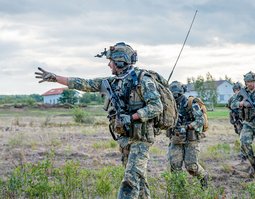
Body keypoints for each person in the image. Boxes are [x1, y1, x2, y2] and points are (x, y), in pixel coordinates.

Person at [35, 42, 163, 199]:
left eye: (111, 62)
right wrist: (55, 78)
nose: (109, 65)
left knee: (130, 181)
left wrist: (132, 117)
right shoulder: (113, 82)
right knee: (139, 181)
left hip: (141, 139)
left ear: (120, 61)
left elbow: (157, 107)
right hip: (125, 139)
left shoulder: (144, 80)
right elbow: (85, 84)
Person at [166, 81, 208, 187]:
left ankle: (204, 178)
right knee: (175, 166)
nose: (176, 97)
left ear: (182, 92)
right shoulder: (169, 104)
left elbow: (200, 120)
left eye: (178, 94)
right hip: (176, 138)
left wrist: (187, 126)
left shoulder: (191, 103)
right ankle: (180, 189)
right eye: (173, 94)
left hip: (191, 138)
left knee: (191, 166)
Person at [227, 82, 246, 162]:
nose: (237, 91)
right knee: (242, 138)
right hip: (238, 121)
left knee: (246, 138)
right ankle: (243, 155)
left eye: (238, 90)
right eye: (235, 90)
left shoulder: (244, 97)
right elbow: (229, 107)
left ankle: (246, 153)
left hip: (246, 120)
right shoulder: (232, 98)